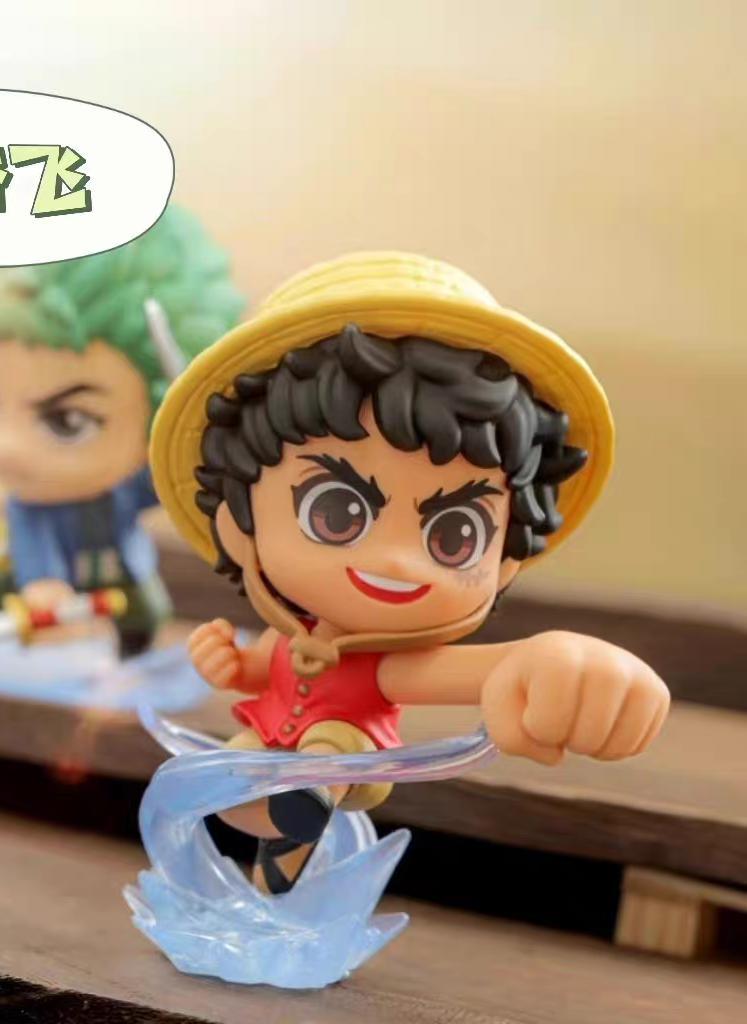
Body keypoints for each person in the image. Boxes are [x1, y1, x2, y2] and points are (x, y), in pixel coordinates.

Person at [148, 251, 669, 891]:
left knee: (328, 752)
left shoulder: (385, 666)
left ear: (505, 561)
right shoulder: (293, 636)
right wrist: (233, 664)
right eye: (336, 512)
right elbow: (266, 667)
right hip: (268, 736)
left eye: (454, 535)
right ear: (239, 522)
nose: (396, 560)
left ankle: (302, 813)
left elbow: (490, 670)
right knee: (231, 778)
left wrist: (555, 660)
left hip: (342, 751)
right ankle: (264, 869)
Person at [0, 207, 243, 656]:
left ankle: (133, 651)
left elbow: (167, 483)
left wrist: (199, 451)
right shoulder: (30, 506)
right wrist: (42, 584)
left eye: (68, 421)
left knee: (146, 611)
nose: (3, 446)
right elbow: (32, 538)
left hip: (117, 569)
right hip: (27, 576)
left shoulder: (126, 487)